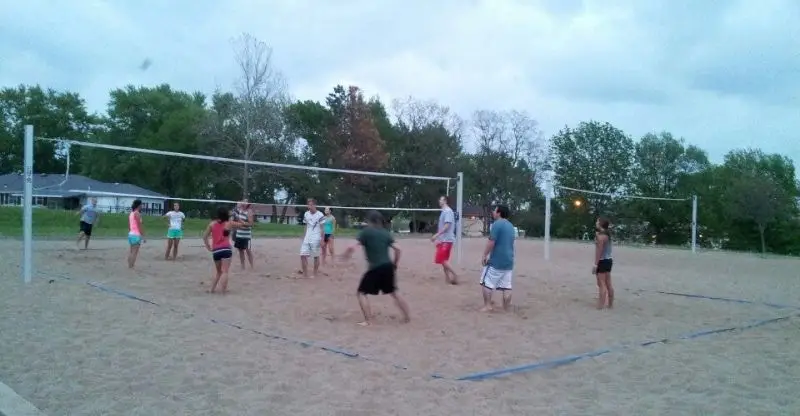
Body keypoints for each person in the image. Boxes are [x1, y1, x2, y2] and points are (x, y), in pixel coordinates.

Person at [341, 210, 410, 326]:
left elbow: (352, 246)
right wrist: (395, 263)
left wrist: (346, 255)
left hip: (375, 268)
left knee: (361, 293)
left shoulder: (366, 232)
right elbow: (398, 249)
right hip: (388, 266)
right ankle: (407, 317)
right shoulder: (385, 233)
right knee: (394, 292)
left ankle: (368, 320)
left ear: (369, 221)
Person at [479, 205, 515, 312]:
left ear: (499, 213)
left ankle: (487, 305)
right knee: (507, 286)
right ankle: (506, 308)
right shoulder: (510, 226)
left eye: (495, 210)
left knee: (487, 283)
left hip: (497, 261)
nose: (493, 212)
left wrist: (484, 255)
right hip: (509, 261)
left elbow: (491, 241)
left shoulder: (497, 224)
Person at [202, 206, 242, 294]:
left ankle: (212, 289)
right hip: (226, 249)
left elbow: (204, 237)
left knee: (218, 272)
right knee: (225, 271)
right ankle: (223, 290)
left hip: (216, 250)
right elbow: (241, 224)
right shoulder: (229, 223)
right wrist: (236, 215)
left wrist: (208, 246)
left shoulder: (212, 224)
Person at [430, 195, 458, 284]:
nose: (439, 201)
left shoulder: (448, 211)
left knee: (441, 259)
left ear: (445, 201)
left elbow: (447, 226)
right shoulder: (444, 211)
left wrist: (436, 235)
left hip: (447, 239)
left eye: (441, 199)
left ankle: (455, 274)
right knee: (444, 260)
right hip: (443, 239)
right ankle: (447, 278)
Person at [299, 198, 325, 277]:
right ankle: (305, 274)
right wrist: (304, 236)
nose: (309, 206)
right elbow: (306, 226)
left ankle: (315, 273)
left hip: (316, 238)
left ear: (314, 205)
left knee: (315, 256)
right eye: (308, 205)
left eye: (311, 205)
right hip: (307, 238)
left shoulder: (320, 215)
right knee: (302, 255)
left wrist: (322, 239)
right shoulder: (306, 214)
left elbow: (322, 228)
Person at [593, 217, 614, 309]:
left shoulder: (601, 236)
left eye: (597, 221)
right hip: (609, 260)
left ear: (600, 224)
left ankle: (600, 305)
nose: (596, 223)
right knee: (608, 283)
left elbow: (599, 251)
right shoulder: (607, 235)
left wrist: (595, 264)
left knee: (601, 283)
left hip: (602, 261)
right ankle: (610, 304)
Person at [232, 200, 254, 270]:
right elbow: (232, 212)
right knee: (240, 251)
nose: (243, 202)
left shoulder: (249, 211)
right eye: (243, 201)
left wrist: (242, 223)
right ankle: (243, 266)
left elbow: (251, 224)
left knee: (248, 251)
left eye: (245, 201)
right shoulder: (239, 210)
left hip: (246, 235)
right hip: (239, 235)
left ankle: (252, 266)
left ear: (247, 204)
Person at [127, 199, 145, 269]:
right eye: (141, 205)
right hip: (136, 235)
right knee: (134, 253)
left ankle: (130, 265)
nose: (142, 206)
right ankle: (131, 266)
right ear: (139, 205)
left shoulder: (131, 213)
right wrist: (143, 236)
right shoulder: (137, 213)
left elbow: (129, 225)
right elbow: (139, 225)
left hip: (131, 234)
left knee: (131, 252)